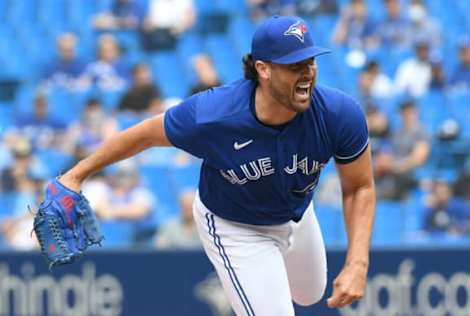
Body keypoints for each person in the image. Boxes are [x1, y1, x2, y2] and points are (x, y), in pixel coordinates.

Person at [57, 16, 375, 315]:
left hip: (296, 212)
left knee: (310, 293)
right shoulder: (214, 114)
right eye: (294, 65)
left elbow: (359, 187)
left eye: (311, 61)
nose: (307, 72)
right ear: (263, 70)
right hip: (235, 226)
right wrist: (75, 175)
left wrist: (357, 263)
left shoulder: (338, 113)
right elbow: (143, 136)